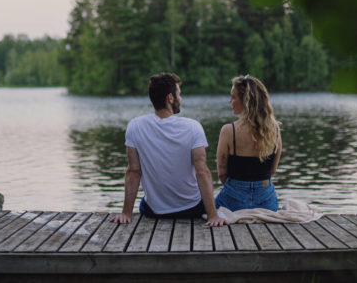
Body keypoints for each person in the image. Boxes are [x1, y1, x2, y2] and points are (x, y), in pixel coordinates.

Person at [110, 73, 228, 227]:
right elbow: (202, 172)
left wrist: (126, 213)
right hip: (192, 209)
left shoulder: (135, 126)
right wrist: (212, 215)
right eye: (179, 94)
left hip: (154, 211)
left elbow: (133, 171)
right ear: (170, 98)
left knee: (143, 203)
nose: (180, 99)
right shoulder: (193, 127)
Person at [215, 75, 282, 211]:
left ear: (245, 101)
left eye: (233, 97)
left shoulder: (229, 131)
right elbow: (272, 170)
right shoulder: (275, 129)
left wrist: (239, 189)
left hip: (233, 201)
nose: (230, 101)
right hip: (267, 202)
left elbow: (222, 173)